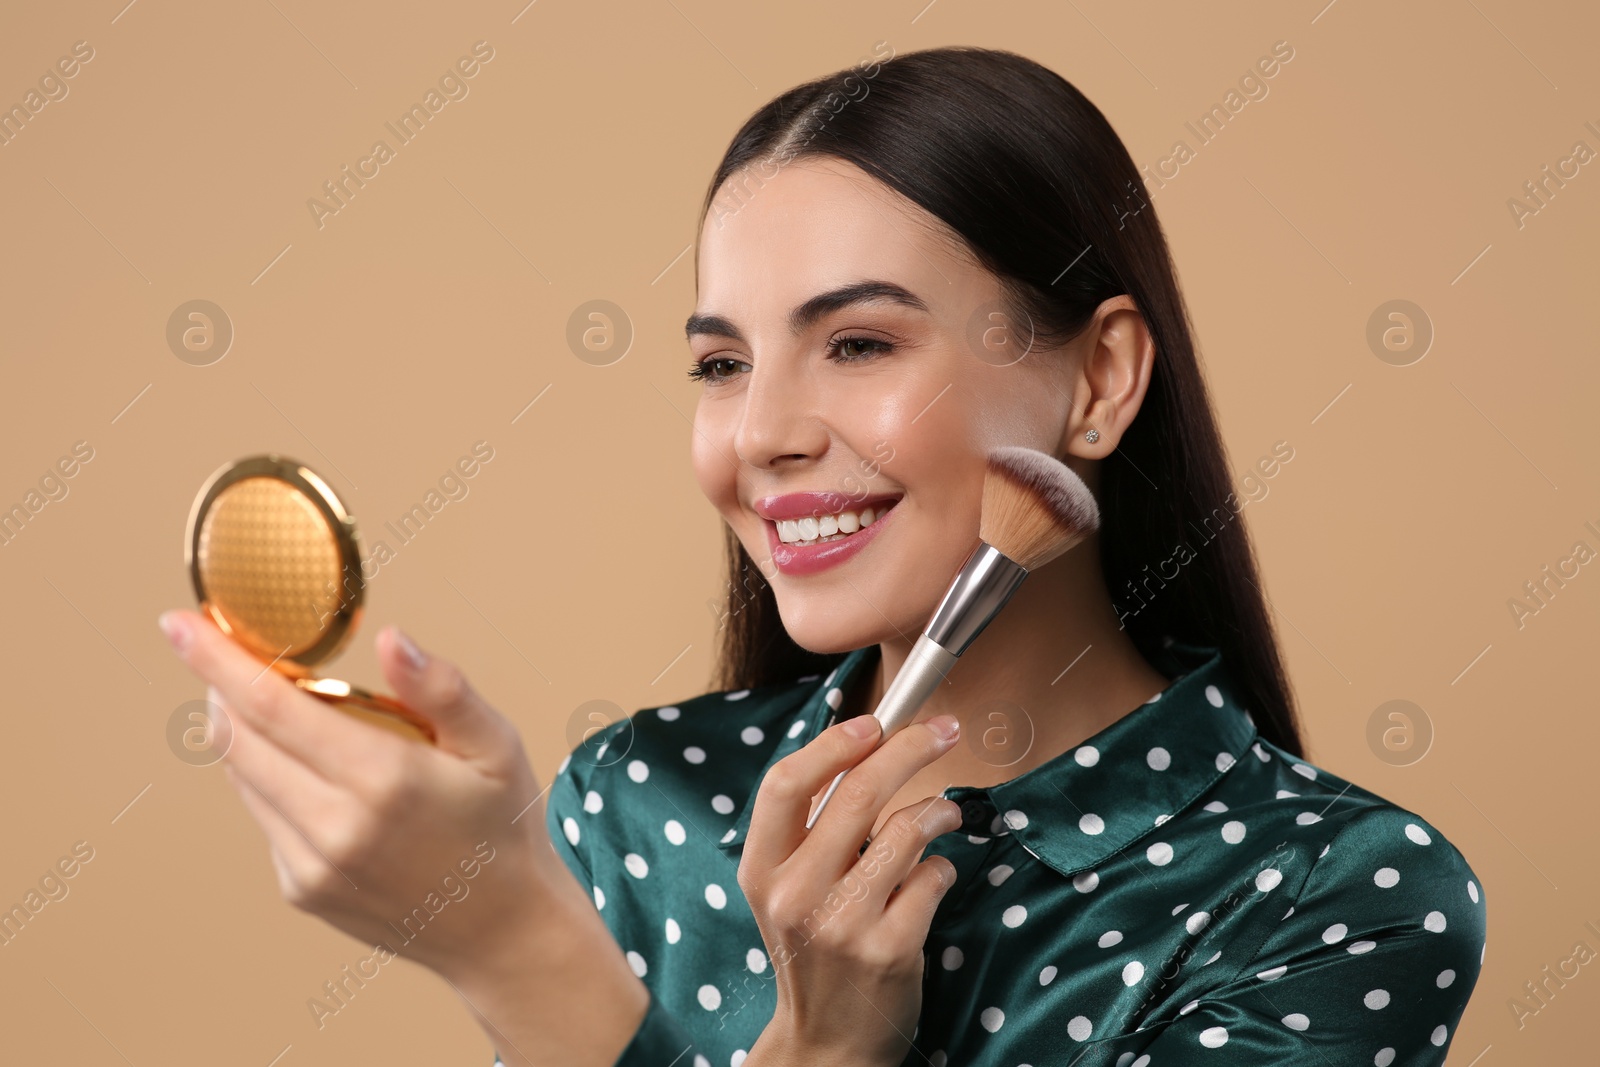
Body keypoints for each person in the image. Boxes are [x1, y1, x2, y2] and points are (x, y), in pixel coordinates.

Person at [158, 44, 1486, 1067]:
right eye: (722, 363)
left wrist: (523, 950)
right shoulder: (641, 801)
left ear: (1101, 379)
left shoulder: (1339, 896)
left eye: (858, 343)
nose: (763, 435)